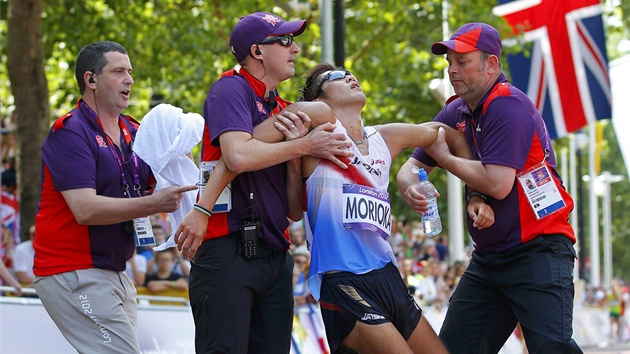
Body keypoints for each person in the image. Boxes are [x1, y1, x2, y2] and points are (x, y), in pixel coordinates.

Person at [173, 12, 353, 353]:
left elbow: (293, 210)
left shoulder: (285, 107)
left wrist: (295, 155)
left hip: (275, 255)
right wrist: (305, 144)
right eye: (285, 41)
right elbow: (238, 157)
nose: (295, 49)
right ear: (257, 51)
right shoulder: (231, 87)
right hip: (227, 250)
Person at [396, 22, 581, 353]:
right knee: (452, 349)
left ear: (491, 64)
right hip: (489, 258)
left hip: (538, 249)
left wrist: (445, 158)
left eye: (462, 62)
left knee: (551, 349)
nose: (453, 70)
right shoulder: (457, 109)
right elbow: (411, 167)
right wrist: (410, 186)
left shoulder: (509, 105)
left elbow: (497, 183)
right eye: (449, 62)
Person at [296, 63, 485, 354]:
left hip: (388, 276)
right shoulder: (315, 141)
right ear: (319, 102)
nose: (349, 76)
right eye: (334, 77)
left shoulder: (386, 137)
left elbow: (451, 137)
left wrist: (473, 193)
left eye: (349, 73)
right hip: (343, 281)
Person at [32, 40, 196, 354]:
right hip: (72, 271)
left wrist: (182, 154)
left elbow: (162, 179)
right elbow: (85, 209)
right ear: (90, 80)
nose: (129, 80)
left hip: (115, 273)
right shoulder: (69, 131)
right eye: (118, 71)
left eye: (130, 72)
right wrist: (154, 203)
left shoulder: (135, 130)